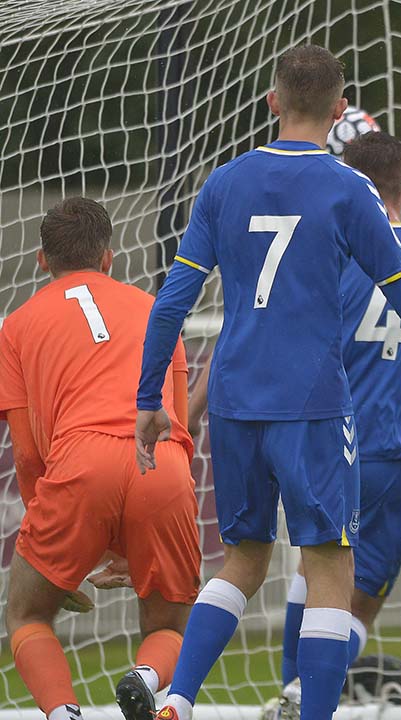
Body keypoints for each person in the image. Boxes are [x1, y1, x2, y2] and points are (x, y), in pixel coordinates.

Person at [135, 45, 401, 720]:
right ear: (340, 111)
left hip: (237, 401)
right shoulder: (348, 189)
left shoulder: (224, 182)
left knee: (243, 560)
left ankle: (180, 698)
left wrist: (148, 402)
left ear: (273, 101)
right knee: (331, 567)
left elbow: (170, 305)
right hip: (311, 403)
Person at [0, 197, 201, 720]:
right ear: (110, 258)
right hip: (161, 467)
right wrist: (135, 538)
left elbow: (26, 455)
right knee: (169, 627)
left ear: (42, 261)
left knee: (26, 613)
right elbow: (177, 426)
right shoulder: (158, 310)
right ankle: (143, 679)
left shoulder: (15, 328)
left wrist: (53, 547)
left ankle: (64, 712)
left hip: (79, 464)